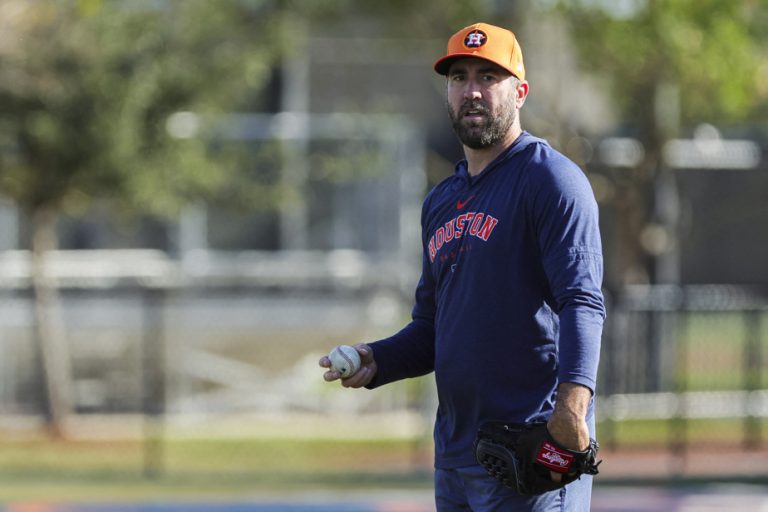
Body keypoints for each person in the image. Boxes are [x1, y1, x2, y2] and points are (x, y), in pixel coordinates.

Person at [319, 22, 605, 511]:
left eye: (487, 77)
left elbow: (582, 300)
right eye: (458, 77)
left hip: (532, 446)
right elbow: (433, 326)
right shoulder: (442, 201)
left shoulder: (550, 180)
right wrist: (377, 359)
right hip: (456, 455)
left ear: (520, 91)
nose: (471, 91)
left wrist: (572, 410)